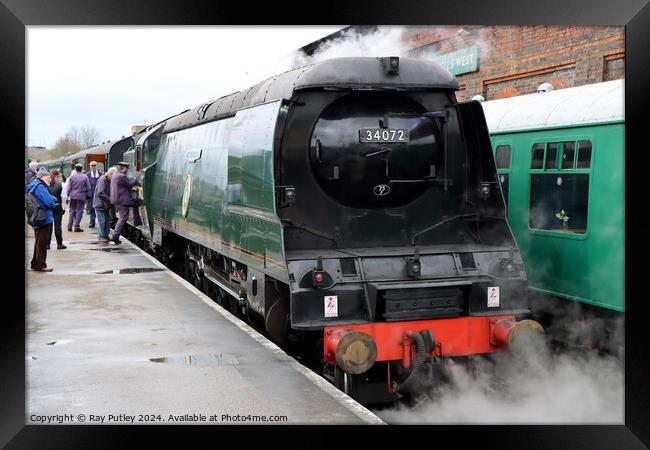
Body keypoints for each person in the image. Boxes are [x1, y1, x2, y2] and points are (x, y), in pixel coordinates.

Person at [26, 168, 57, 272]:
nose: (50, 178)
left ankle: (35, 263)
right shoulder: (40, 187)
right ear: (43, 177)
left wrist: (51, 198)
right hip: (43, 218)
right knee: (42, 243)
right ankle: (41, 265)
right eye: (48, 176)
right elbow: (49, 202)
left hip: (38, 217)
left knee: (39, 241)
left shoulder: (36, 185)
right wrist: (53, 200)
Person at [109, 162, 140, 244]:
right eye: (127, 169)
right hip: (122, 200)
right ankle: (115, 236)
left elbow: (123, 186)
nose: (127, 171)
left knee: (123, 216)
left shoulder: (115, 174)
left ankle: (137, 221)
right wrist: (137, 180)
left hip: (117, 200)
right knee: (123, 218)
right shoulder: (121, 176)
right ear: (124, 168)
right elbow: (129, 184)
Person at [93, 167, 117, 242]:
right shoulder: (102, 180)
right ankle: (102, 236)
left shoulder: (109, 180)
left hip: (106, 205)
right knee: (101, 221)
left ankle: (106, 235)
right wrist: (110, 199)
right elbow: (100, 193)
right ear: (110, 174)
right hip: (100, 204)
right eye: (114, 175)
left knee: (107, 220)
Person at [65, 163, 91, 232]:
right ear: (81, 169)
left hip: (72, 196)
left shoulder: (72, 177)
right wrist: (88, 196)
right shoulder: (85, 177)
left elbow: (69, 188)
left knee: (71, 211)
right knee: (79, 212)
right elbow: (88, 187)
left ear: (75, 169)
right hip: (81, 196)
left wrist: (67, 197)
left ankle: (69, 226)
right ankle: (76, 227)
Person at [46, 169, 67, 250]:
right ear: (57, 176)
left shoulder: (45, 184)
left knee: (49, 226)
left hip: (48, 207)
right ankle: (59, 244)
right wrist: (64, 208)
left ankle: (47, 244)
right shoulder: (61, 184)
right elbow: (64, 197)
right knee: (58, 226)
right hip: (58, 206)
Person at [85, 161, 104, 229]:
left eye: (94, 166)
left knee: (99, 208)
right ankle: (92, 222)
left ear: (96, 166)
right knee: (91, 208)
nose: (93, 167)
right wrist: (86, 194)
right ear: (90, 167)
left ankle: (99, 222)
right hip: (91, 194)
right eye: (92, 166)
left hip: (99, 194)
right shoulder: (87, 175)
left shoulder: (101, 174)